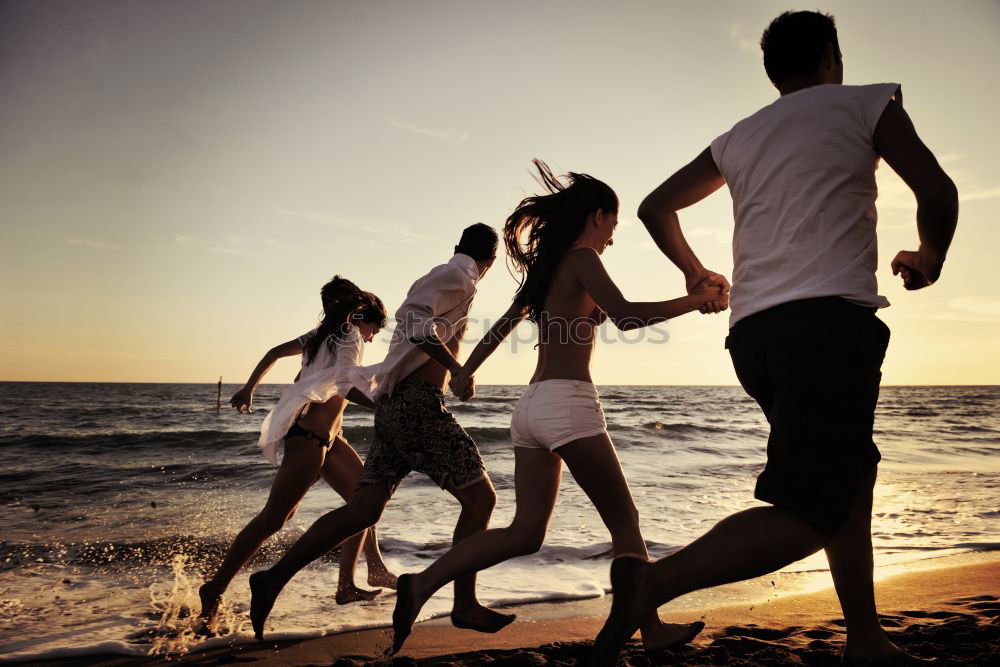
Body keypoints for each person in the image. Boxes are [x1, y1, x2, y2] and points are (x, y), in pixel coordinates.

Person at [591, 10, 958, 665]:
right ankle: (652, 583)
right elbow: (936, 187)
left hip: (754, 339)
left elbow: (655, 206)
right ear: (829, 58)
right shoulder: (864, 103)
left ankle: (866, 637)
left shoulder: (739, 136)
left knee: (852, 473)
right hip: (824, 330)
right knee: (814, 506)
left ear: (772, 71)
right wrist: (927, 256)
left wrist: (695, 272)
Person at [389, 160, 725, 655]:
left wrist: (466, 371)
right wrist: (694, 301)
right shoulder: (584, 257)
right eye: (613, 223)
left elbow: (503, 324)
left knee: (525, 532)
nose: (612, 236)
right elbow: (629, 317)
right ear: (597, 215)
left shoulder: (548, 271)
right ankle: (651, 631)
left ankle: (420, 584)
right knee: (625, 521)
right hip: (568, 403)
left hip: (529, 409)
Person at [247, 224, 515, 641]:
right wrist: (459, 369)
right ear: (492, 262)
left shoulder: (445, 276)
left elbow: (413, 326)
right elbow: (412, 320)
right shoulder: (458, 278)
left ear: (457, 246)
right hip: (417, 408)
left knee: (362, 511)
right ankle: (463, 603)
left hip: (393, 411)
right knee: (481, 499)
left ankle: (273, 578)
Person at [198, 277, 397, 626]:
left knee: (366, 502)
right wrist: (385, 408)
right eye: (374, 332)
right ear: (366, 319)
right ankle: (214, 588)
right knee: (275, 518)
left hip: (330, 440)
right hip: (309, 438)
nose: (371, 338)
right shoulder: (348, 335)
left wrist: (249, 388)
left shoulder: (320, 334)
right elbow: (347, 385)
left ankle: (351, 582)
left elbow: (274, 352)